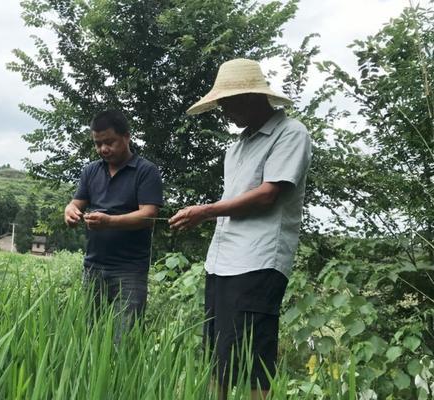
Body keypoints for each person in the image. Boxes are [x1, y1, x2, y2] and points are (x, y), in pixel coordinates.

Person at [169, 59, 312, 398]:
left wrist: (205, 211)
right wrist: (207, 214)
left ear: (252, 97)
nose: (224, 113)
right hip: (221, 262)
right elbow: (234, 200)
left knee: (253, 360)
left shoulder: (291, 133)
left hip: (259, 261)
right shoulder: (235, 149)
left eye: (228, 103)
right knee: (217, 356)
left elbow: (268, 195)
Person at [64, 109, 163, 339]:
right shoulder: (91, 171)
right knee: (89, 337)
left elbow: (149, 215)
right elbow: (75, 203)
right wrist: (70, 212)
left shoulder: (146, 171)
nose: (103, 149)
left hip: (129, 270)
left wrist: (109, 222)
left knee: (124, 340)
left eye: (109, 142)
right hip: (93, 267)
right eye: (98, 144)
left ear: (126, 137)